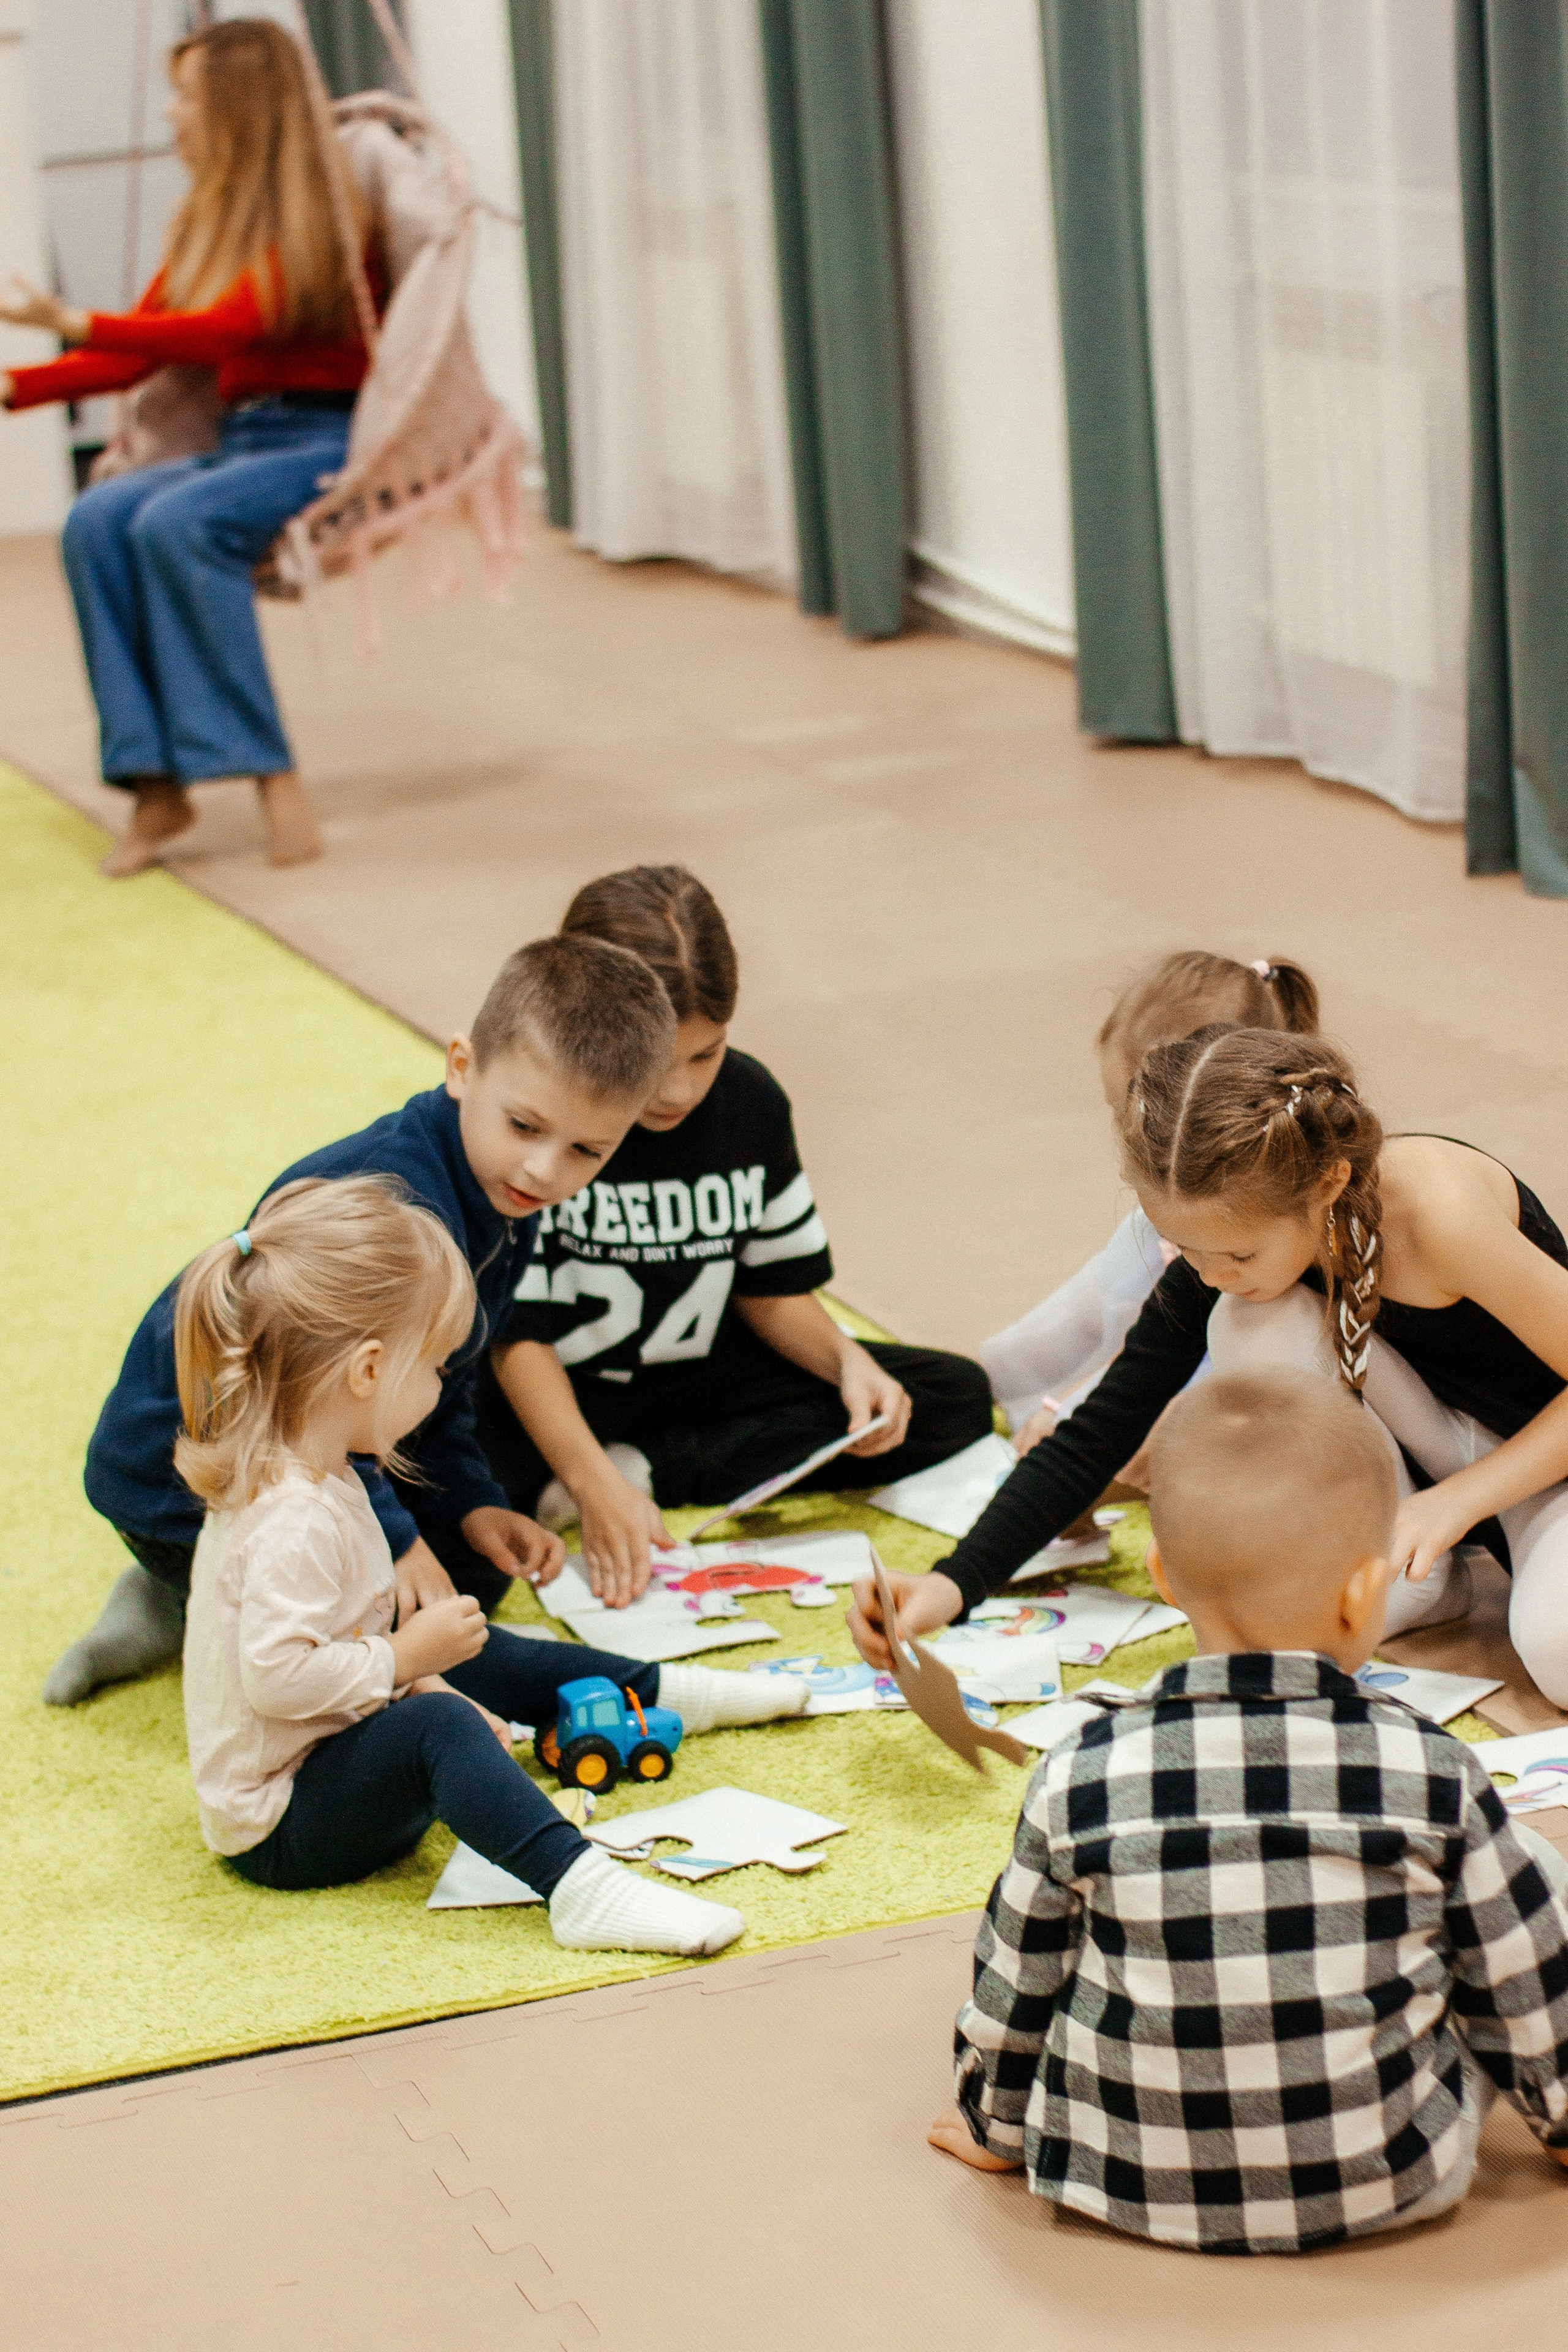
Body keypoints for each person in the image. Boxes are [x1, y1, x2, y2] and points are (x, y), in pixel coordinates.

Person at [929, 1367, 1568, 2253]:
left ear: (1162, 1576)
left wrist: (994, 2123)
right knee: (1528, 1876)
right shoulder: (1430, 1770)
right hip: (1384, 2177)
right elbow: (1522, 1977)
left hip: (1124, 2180)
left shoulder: (1078, 1771)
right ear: (1364, 1592)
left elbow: (1016, 1975)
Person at [176, 1176, 807, 1957]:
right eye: (435, 1367)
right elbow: (277, 1681)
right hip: (280, 1827)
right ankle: (581, 1891)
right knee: (437, 1716)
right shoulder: (292, 1516)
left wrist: (427, 1672)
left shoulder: (323, 1471)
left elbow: (347, 1636)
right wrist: (410, 1668)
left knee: (472, 1647)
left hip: (330, 1742)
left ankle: (665, 1691)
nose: (442, 1386)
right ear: (368, 1372)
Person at [851, 1025, 1568, 1706]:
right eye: (1185, 1250)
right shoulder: (1225, 1243)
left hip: (1545, 1464)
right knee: (1249, 1320)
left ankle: (1438, 1556)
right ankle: (1420, 1580)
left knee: (1558, 1653)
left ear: (1327, 1184)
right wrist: (952, 1584)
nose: (1212, 1274)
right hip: (1429, 1480)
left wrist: (1460, 1501)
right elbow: (1104, 1423)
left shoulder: (1438, 1211)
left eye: (1239, 1255)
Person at [47, 933, 676, 1706]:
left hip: (319, 1446)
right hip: (185, 1476)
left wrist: (471, 1504)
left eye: (586, 1151)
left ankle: (205, 1591)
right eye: (523, 1126)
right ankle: (178, 1590)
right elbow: (305, 1409)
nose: (545, 1170)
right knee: (404, 1652)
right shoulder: (394, 1201)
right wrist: (395, 1545)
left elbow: (443, 1384)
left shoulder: (505, 1199)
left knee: (472, 1577)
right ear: (461, 1067)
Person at [477, 866, 994, 1604]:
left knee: (949, 1396)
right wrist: (588, 1479)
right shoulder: (553, 1119)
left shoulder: (750, 1102)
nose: (679, 1090)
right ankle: (597, 1474)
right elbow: (516, 1338)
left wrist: (845, 1361)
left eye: (705, 1054)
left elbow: (770, 1288)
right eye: (656, 1062)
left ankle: (645, 1470)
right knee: (446, 1481)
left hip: (698, 1373)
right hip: (556, 1386)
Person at [0, 18, 376, 876]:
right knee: (98, 519)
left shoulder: (325, 210)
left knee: (177, 522)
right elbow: (140, 354)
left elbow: (225, 329)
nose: (171, 114)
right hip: (243, 439)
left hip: (324, 435)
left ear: (239, 108)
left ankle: (272, 775)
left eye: (187, 97)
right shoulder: (209, 221)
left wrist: (73, 319)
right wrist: (15, 387)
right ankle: (153, 781)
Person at [981, 951, 1321, 1451]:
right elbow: (1097, 1312)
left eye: (1139, 1118)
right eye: (1117, 1112)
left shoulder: (1253, 1236)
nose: (1127, 1137)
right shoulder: (1159, 1222)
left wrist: (1068, 1412)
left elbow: (1177, 1360)